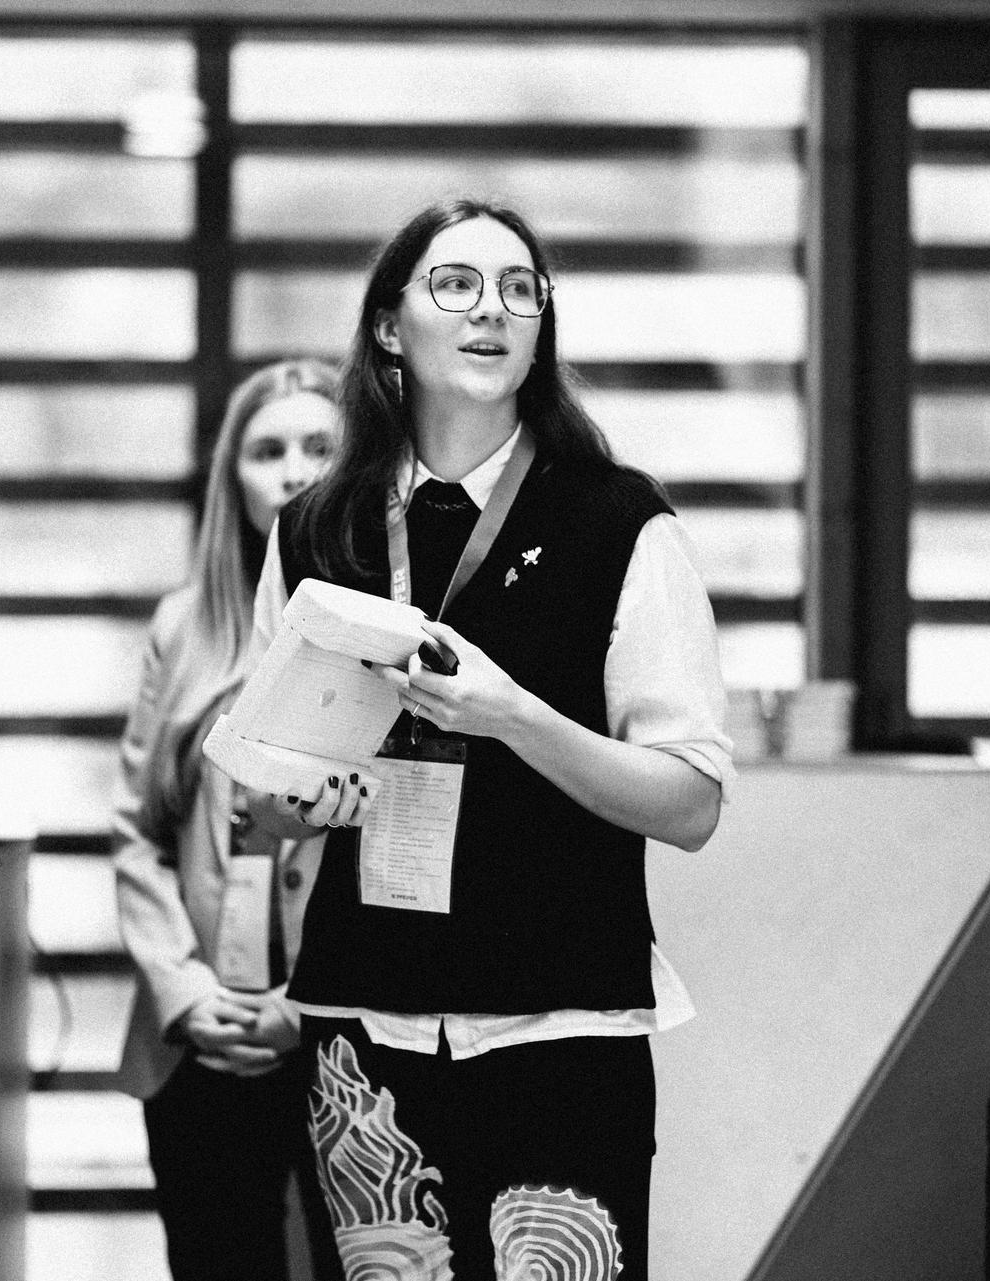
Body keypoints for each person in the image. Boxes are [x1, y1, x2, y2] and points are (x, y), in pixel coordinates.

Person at [246, 199, 733, 1281]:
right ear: (389, 326)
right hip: (363, 1029)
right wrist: (298, 803)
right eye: (456, 284)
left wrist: (513, 714)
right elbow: (266, 800)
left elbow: (691, 802)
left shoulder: (621, 523)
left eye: (520, 289)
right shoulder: (315, 530)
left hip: (560, 1030)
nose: (493, 310)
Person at [111, 358, 347, 1281]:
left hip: (336, 1032)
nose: (294, 471)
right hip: (195, 1037)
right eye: (267, 450)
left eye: (320, 446)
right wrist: (182, 991)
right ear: (233, 478)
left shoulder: (392, 627)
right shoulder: (184, 627)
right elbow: (137, 832)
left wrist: (305, 1005)